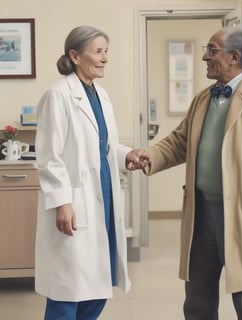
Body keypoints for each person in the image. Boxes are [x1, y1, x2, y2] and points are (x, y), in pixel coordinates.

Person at [133, 27, 242, 319]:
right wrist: (149, 155)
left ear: (234, 57)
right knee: (197, 299)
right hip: (202, 213)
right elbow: (179, 142)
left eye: (211, 50)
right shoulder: (203, 99)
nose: (205, 57)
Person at [34, 26, 143, 320]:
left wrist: (125, 154)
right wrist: (62, 202)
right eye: (98, 52)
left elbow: (103, 145)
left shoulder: (100, 95)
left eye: (106, 51)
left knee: (97, 289)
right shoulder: (58, 95)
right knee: (67, 292)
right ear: (75, 55)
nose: (105, 58)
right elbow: (48, 156)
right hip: (74, 203)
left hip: (103, 201)